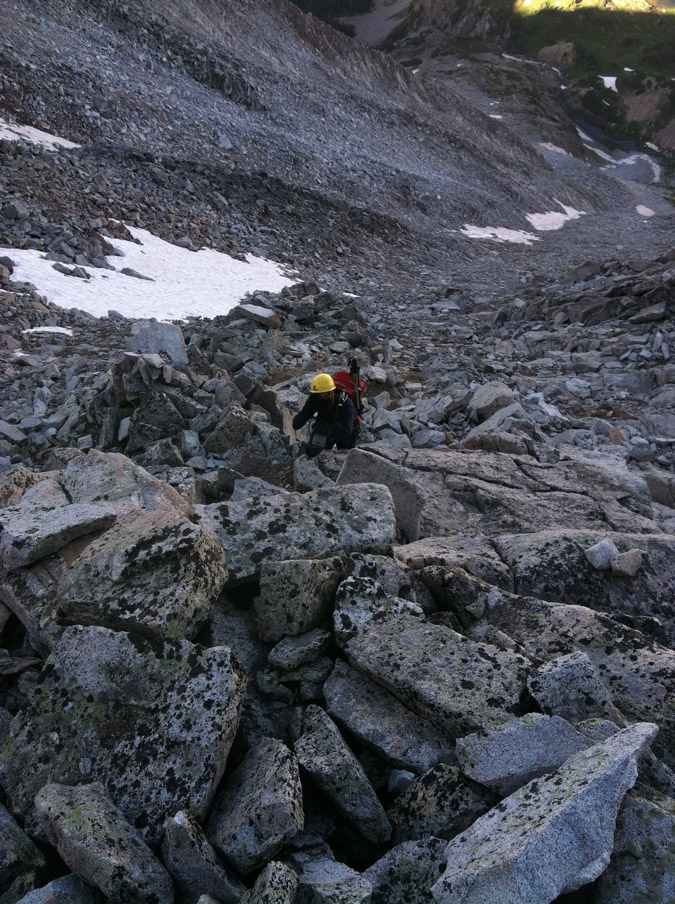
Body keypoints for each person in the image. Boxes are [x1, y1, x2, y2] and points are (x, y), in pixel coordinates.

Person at [292, 373, 358, 456]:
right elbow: (296, 425)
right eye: (318, 395)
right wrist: (307, 410)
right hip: (327, 427)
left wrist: (332, 419)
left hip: (346, 429)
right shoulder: (315, 401)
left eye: (325, 394)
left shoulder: (346, 404)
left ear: (332, 392)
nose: (321, 398)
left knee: (346, 456)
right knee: (314, 452)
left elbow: (346, 436)